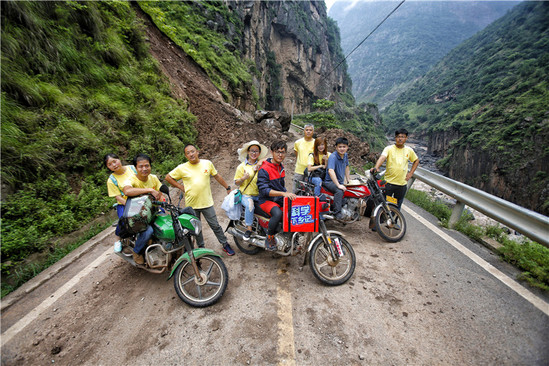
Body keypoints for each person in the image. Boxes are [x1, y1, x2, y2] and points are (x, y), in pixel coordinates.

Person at [165, 144, 235, 256]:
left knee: (215, 225)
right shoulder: (182, 168)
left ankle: (225, 244)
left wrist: (227, 187)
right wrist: (180, 187)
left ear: (197, 152)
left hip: (207, 202)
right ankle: (201, 247)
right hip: (191, 205)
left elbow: (217, 176)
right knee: (197, 228)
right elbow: (168, 177)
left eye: (192, 151)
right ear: (186, 156)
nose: (191, 154)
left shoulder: (207, 163)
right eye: (188, 153)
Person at [121, 154, 163, 265]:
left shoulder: (153, 178)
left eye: (147, 165)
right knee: (148, 231)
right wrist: (149, 190)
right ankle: (137, 252)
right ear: (135, 168)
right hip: (137, 215)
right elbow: (127, 191)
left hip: (153, 211)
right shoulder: (131, 179)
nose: (144, 169)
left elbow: (160, 193)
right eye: (140, 166)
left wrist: (164, 200)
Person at [257, 140, 296, 251]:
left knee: (292, 211)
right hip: (266, 200)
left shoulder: (280, 167)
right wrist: (283, 193)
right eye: (277, 152)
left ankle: (286, 235)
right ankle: (269, 237)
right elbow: (264, 190)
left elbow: (281, 186)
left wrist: (286, 195)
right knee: (278, 213)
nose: (280, 155)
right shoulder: (264, 169)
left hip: (278, 199)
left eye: (283, 152)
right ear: (272, 152)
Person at [372, 128, 419, 210]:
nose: (400, 139)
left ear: (406, 138)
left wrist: (411, 173)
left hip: (402, 184)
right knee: (385, 204)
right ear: (395, 138)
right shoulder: (389, 148)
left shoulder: (409, 150)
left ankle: (394, 221)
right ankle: (382, 220)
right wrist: (376, 167)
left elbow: (416, 160)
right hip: (389, 183)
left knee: (397, 205)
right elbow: (382, 157)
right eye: (398, 136)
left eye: (403, 137)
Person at [234, 140, 269, 240]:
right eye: (252, 151)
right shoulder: (241, 166)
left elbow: (271, 160)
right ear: (248, 152)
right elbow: (236, 182)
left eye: (257, 151)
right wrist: (243, 178)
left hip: (259, 194)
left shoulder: (262, 164)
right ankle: (248, 229)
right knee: (250, 205)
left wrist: (261, 161)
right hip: (246, 195)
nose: (254, 153)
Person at [323, 137, 351, 220]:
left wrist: (348, 180)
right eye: (340, 147)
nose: (342, 149)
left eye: (344, 147)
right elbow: (331, 171)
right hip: (329, 181)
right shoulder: (333, 157)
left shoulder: (345, 155)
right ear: (336, 147)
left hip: (340, 181)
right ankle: (337, 213)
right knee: (339, 191)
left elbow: (347, 166)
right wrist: (338, 185)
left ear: (347, 147)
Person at [104, 153, 136, 219]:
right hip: (125, 203)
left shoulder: (133, 168)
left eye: (114, 162)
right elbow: (118, 197)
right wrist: (131, 206)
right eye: (110, 164)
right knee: (125, 223)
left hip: (142, 197)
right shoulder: (111, 180)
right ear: (108, 167)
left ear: (119, 159)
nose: (114, 165)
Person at [293, 124, 315, 193]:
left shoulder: (316, 143)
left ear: (313, 132)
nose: (308, 132)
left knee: (308, 192)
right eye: (307, 130)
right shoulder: (298, 142)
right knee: (296, 190)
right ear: (304, 131)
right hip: (299, 170)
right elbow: (296, 153)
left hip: (311, 171)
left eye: (310, 130)